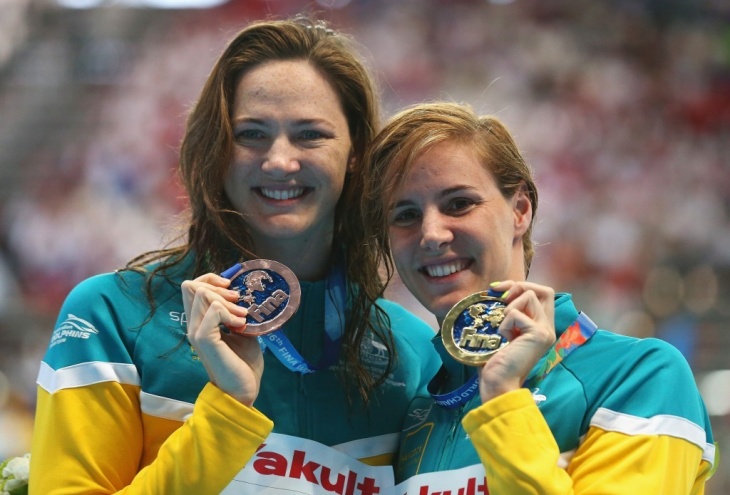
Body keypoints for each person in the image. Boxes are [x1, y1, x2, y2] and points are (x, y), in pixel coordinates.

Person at [29, 16, 440, 494]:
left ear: (356, 154)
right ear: (216, 149)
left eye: (311, 135)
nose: (280, 161)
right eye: (251, 134)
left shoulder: (409, 355)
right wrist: (226, 413)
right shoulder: (114, 318)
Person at [359, 101, 717, 493]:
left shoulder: (639, 376)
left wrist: (502, 399)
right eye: (405, 215)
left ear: (521, 210)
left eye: (458, 204)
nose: (431, 233)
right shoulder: (419, 410)